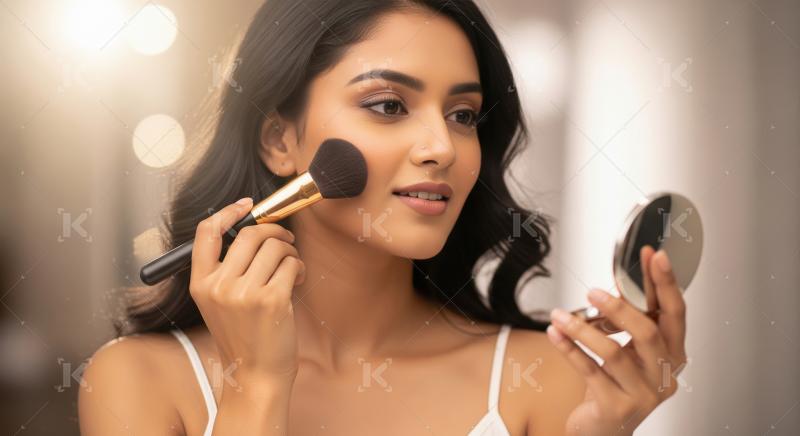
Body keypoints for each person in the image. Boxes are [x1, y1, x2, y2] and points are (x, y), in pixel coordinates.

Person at [79, 1, 687, 434]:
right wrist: (256, 386)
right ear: (279, 140)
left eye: (463, 115)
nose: (442, 148)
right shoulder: (135, 381)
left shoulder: (546, 377)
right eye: (389, 105)